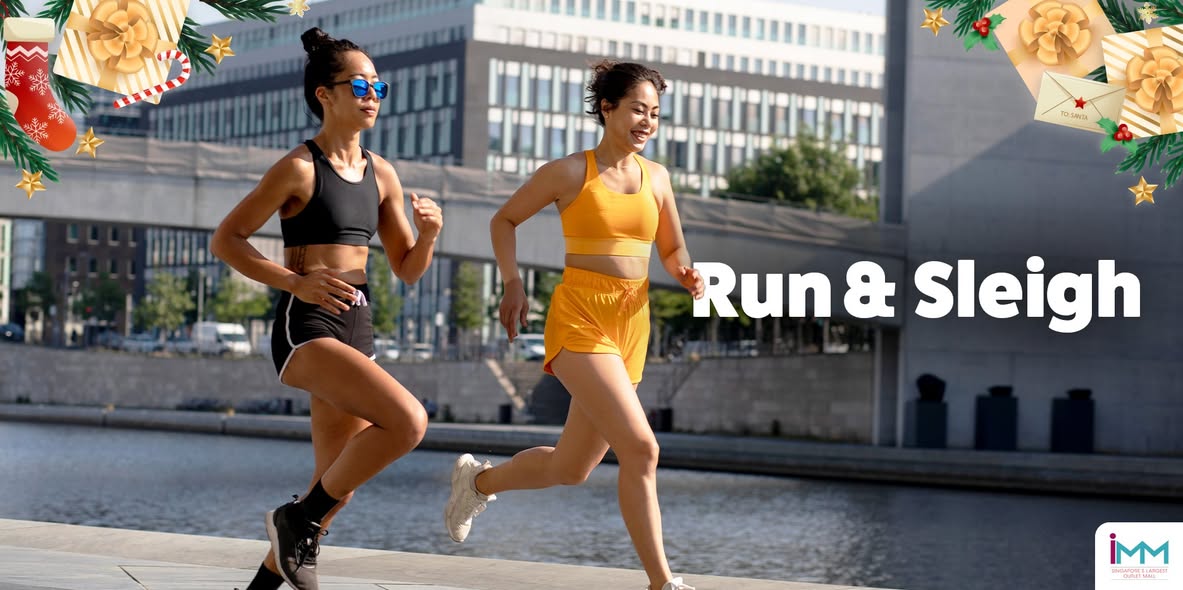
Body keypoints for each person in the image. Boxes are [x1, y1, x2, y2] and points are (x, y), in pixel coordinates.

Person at [443, 60, 705, 590]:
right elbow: (504, 220)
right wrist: (513, 283)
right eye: (637, 108)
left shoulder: (658, 178)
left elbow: (671, 247)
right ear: (606, 108)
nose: (647, 121)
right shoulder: (569, 172)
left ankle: (477, 481)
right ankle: (662, 583)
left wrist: (686, 273)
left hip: (632, 321)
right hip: (581, 316)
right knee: (643, 449)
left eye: (655, 112)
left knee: (571, 467)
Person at [211, 27, 442, 590]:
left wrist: (430, 234)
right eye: (360, 85)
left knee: (337, 483)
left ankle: (273, 568)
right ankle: (294, 519)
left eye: (379, 87)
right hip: (307, 324)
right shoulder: (299, 167)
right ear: (325, 94)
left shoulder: (382, 172)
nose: (372, 96)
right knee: (409, 421)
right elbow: (228, 239)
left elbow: (406, 267)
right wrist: (296, 283)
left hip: (356, 323)